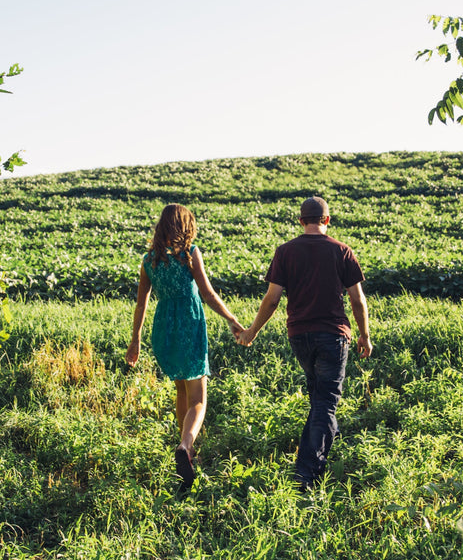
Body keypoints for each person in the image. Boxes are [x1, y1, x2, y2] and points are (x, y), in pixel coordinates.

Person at [236, 196, 372, 488]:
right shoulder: (342, 251)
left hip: (299, 336)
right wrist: (364, 335)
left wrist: (253, 331)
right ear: (327, 220)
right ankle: (307, 475)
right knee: (325, 402)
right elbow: (357, 300)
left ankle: (318, 448)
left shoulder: (285, 252)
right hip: (333, 335)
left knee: (319, 399)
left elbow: (272, 300)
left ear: (301, 221)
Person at [126, 203, 243, 490]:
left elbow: (141, 303)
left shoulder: (148, 260)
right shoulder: (189, 254)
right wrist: (231, 318)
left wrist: (135, 340)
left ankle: (185, 451)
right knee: (199, 398)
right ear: (184, 225)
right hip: (189, 324)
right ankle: (187, 445)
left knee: (181, 389)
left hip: (164, 327)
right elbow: (207, 293)